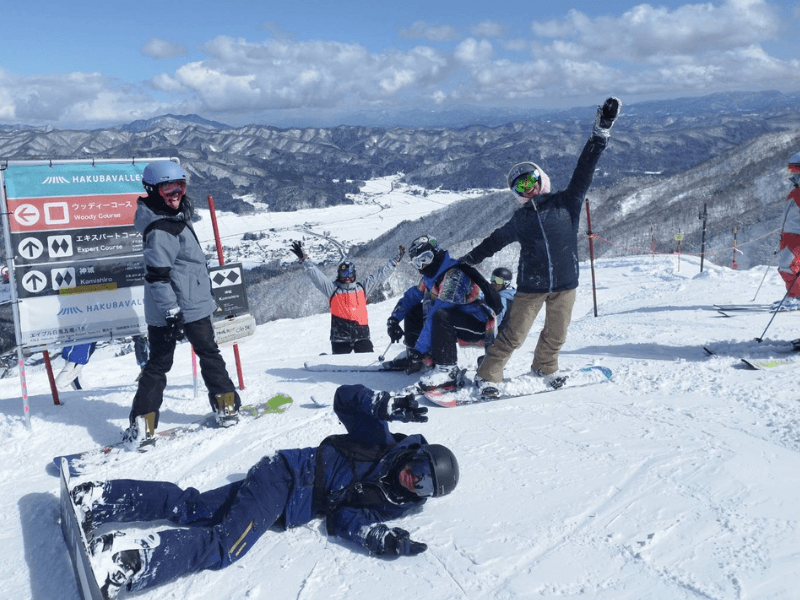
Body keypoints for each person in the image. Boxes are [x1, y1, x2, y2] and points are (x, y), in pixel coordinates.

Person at [68, 384, 459, 598]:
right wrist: (382, 403)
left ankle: (100, 499)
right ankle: (127, 561)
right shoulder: (381, 442)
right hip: (286, 478)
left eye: (425, 485)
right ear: (418, 455)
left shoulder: (390, 505)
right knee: (225, 546)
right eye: (421, 469)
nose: (415, 479)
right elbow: (344, 399)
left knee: (193, 507)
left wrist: (377, 535)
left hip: (279, 489)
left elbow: (344, 519)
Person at [460, 97, 622, 397]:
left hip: (565, 284)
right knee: (513, 336)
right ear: (516, 193)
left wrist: (600, 133)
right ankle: (488, 375)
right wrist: (469, 258)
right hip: (531, 286)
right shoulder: (520, 219)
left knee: (556, 334)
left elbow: (584, 169)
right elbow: (495, 240)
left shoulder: (567, 203)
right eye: (520, 186)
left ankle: (545, 367)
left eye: (531, 181)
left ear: (541, 180)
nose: (528, 188)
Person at [125, 160, 240, 444]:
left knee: (206, 355)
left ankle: (226, 407)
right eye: (168, 186)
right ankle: (143, 424)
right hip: (174, 309)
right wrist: (172, 312)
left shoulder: (174, 218)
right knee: (160, 364)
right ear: (152, 190)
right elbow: (157, 277)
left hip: (193, 305)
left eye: (180, 185)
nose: (176, 192)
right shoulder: (161, 228)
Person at [385, 235, 498, 390]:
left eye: (426, 258)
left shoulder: (455, 275)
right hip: (459, 318)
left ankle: (447, 370)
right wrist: (393, 319)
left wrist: (420, 350)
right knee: (416, 309)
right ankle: (416, 358)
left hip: (479, 323)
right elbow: (412, 297)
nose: (423, 265)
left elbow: (437, 312)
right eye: (418, 262)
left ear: (436, 252)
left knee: (441, 316)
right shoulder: (431, 276)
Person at [290, 240, 404, 354]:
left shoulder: (362, 289)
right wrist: (305, 260)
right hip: (340, 338)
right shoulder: (333, 290)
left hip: (362, 336)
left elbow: (379, 275)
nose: (347, 277)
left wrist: (395, 262)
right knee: (341, 365)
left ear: (354, 274)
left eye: (349, 274)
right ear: (339, 275)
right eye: (344, 274)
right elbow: (317, 276)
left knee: (366, 361)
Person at [776, 151, 800, 315]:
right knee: (788, 267)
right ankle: (792, 295)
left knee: (788, 267)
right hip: (788, 234)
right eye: (792, 169)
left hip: (797, 235)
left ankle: (797, 296)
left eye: (796, 169)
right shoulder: (796, 188)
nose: (794, 172)